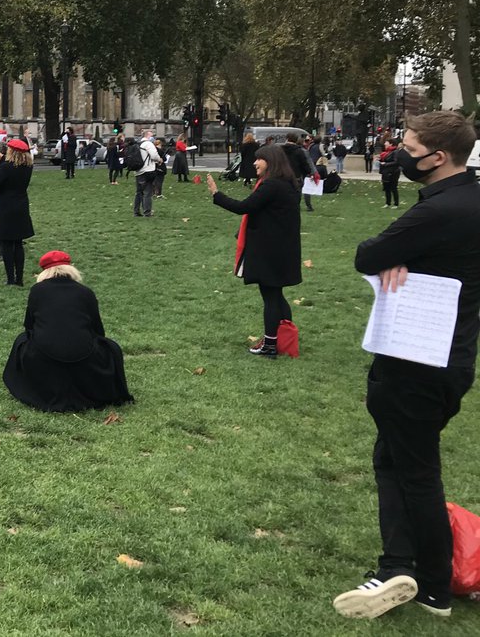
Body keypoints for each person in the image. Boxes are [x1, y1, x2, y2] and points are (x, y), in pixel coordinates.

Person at [333, 111, 480, 620]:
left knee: (413, 469)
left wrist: (392, 255)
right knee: (395, 459)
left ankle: (429, 581)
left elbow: (367, 253)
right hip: (452, 356)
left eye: (409, 147)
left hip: (416, 359)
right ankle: (402, 564)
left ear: (438, 158)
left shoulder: (439, 212)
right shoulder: (468, 199)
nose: (400, 152)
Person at [2, 250, 134, 412]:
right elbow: (97, 329)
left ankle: (29, 385)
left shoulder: (37, 291)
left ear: (44, 272)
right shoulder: (85, 292)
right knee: (111, 347)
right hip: (86, 357)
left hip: (43, 356)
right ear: (71, 268)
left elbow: (29, 325)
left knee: (21, 340)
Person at [205, 144, 301, 357]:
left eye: (259, 159)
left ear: (271, 162)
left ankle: (270, 344)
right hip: (281, 249)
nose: (255, 163)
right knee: (276, 295)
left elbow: (244, 207)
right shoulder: (288, 184)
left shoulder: (272, 185)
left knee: (270, 296)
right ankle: (284, 338)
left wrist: (216, 194)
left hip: (271, 251)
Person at [0, 139, 34, 287]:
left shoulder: (6, 168)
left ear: (12, 151)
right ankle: (19, 279)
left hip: (6, 207)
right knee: (18, 243)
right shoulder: (28, 166)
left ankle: (10, 278)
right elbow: (9, 166)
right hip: (21, 206)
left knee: (6, 244)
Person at [132, 130, 161, 218]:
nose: (153, 137)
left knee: (139, 192)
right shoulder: (148, 144)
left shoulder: (138, 144)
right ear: (148, 135)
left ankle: (136, 211)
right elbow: (154, 156)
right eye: (152, 135)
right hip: (148, 170)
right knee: (147, 192)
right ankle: (147, 212)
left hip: (138, 170)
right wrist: (159, 160)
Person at [284, 134, 316, 212]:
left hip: (283, 174)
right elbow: (305, 164)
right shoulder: (299, 151)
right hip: (296, 175)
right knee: (297, 192)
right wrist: (309, 172)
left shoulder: (281, 150)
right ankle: (294, 207)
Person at [378, 137, 401, 207]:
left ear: (391, 144)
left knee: (393, 188)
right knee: (387, 188)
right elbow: (384, 160)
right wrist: (380, 160)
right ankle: (387, 203)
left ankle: (396, 204)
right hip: (386, 172)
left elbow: (396, 162)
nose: (385, 144)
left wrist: (385, 164)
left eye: (386, 142)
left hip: (393, 172)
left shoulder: (395, 152)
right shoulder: (386, 152)